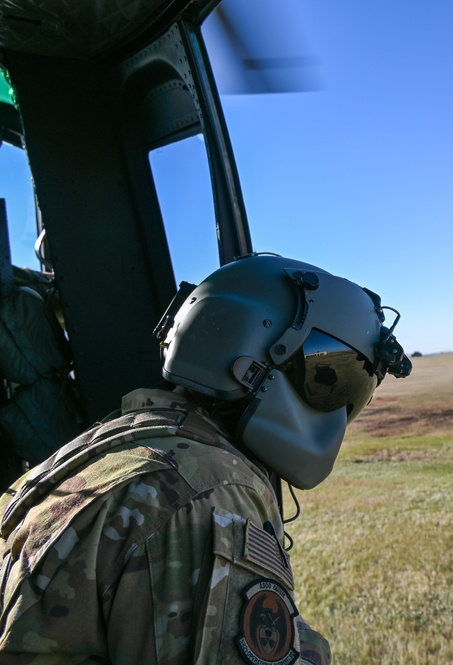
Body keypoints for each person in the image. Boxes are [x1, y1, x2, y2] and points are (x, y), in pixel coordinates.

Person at [0, 253, 411, 664]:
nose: (341, 413)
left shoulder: (118, 441)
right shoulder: (207, 492)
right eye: (339, 386)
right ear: (254, 359)